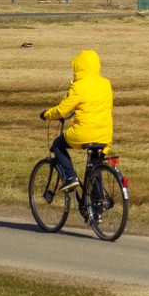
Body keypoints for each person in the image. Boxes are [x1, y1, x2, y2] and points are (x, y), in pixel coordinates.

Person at [39, 49, 113, 192]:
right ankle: (97, 206)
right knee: (95, 165)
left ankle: (70, 177)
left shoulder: (78, 87)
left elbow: (62, 110)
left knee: (57, 145)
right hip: (105, 135)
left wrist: (47, 114)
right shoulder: (106, 84)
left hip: (84, 133)